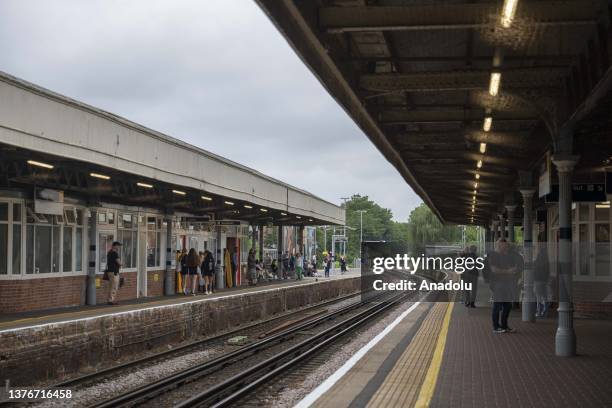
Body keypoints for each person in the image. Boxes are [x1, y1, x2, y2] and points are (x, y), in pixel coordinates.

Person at [489, 239, 523, 333]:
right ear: (499, 246)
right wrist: (508, 271)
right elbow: (494, 269)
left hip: (507, 284)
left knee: (507, 306)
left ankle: (504, 325)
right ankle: (496, 327)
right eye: (504, 246)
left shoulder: (506, 256)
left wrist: (514, 270)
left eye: (507, 246)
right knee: (497, 305)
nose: (506, 248)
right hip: (498, 284)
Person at [534, 241, 550, 318]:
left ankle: (539, 312)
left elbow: (534, 270)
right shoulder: (546, 261)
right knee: (545, 297)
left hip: (538, 280)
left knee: (538, 297)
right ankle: (546, 311)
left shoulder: (537, 261)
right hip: (544, 281)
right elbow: (548, 272)